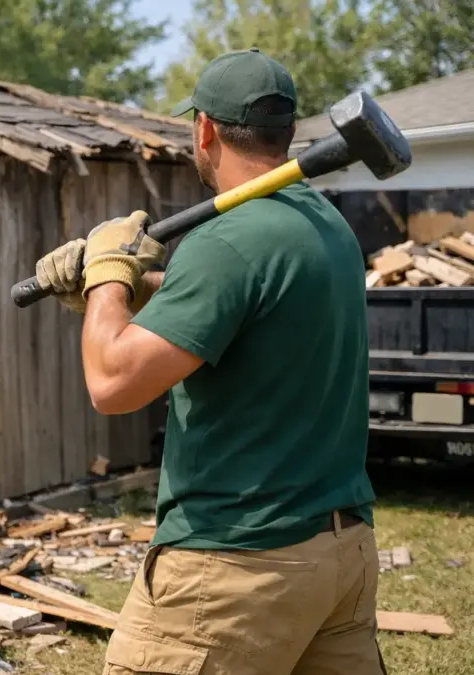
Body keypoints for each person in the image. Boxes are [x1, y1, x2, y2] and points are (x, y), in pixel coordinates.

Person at [35, 48, 384, 675]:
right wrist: (128, 288)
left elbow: (112, 384)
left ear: (205, 130)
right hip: (339, 554)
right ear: (287, 132)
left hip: (236, 569)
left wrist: (108, 280)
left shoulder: (226, 241)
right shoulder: (325, 227)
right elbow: (242, 309)